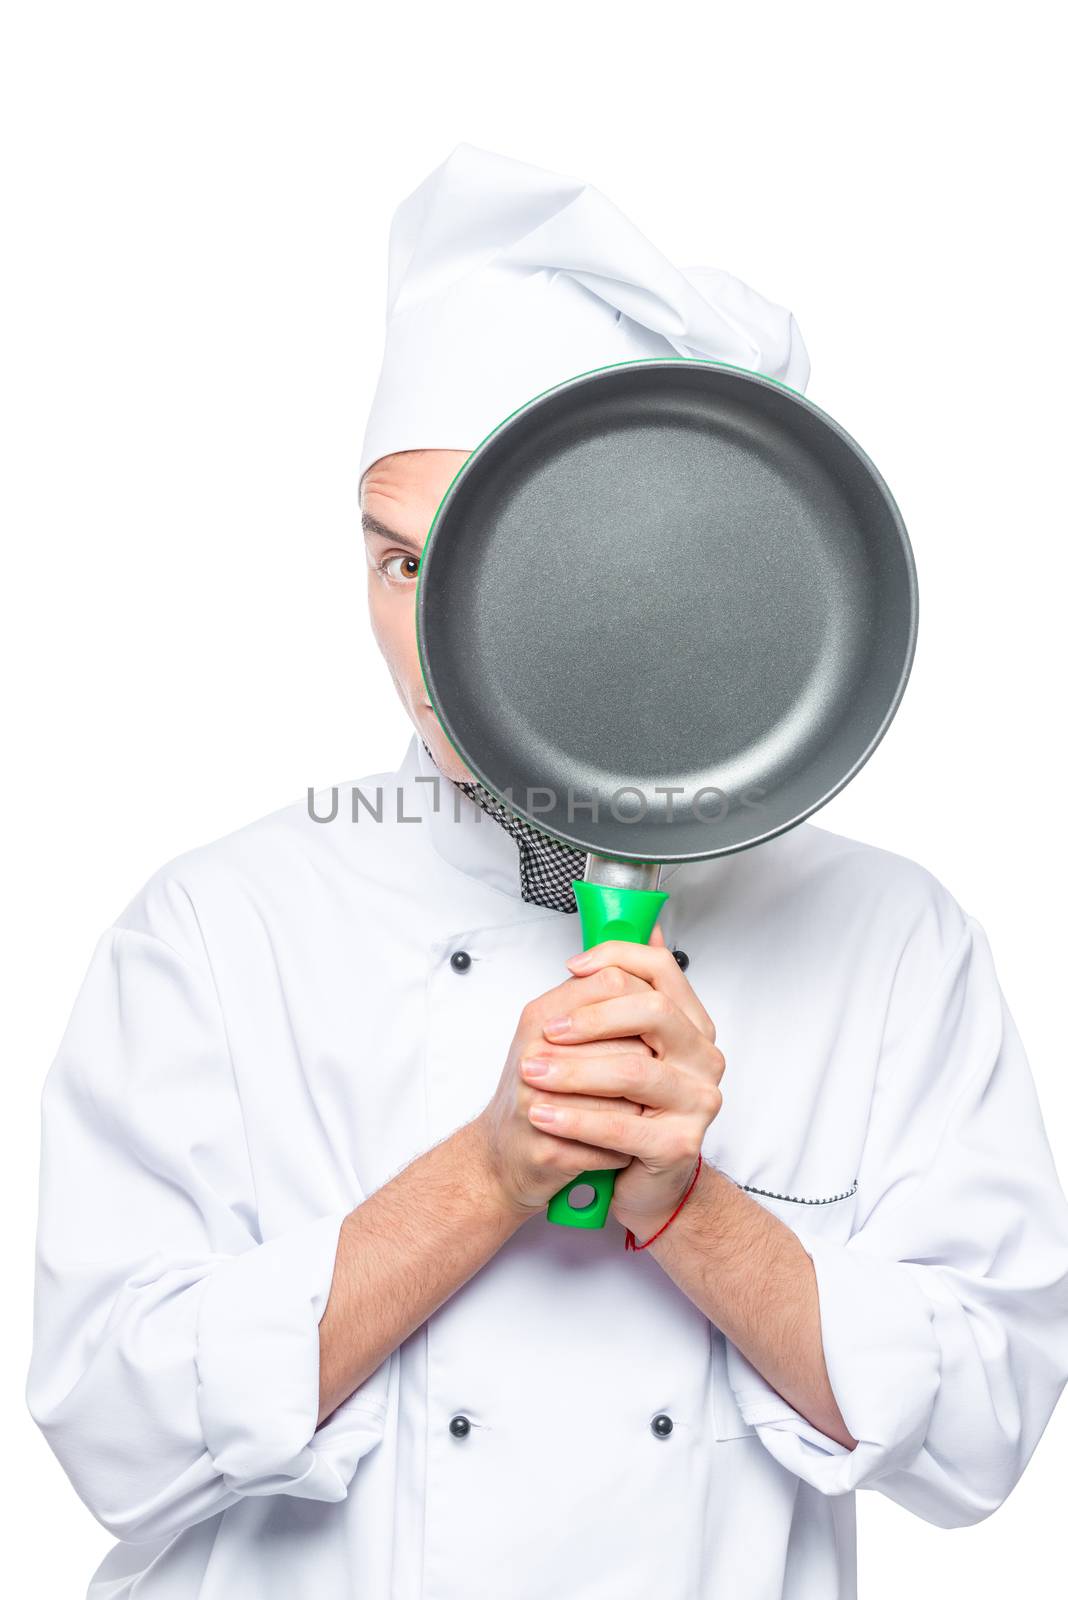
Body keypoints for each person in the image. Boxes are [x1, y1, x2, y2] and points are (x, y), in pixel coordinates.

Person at [27, 143, 1068, 1600]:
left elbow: (982, 1438)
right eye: (397, 563)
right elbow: (111, 1431)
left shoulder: (893, 943)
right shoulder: (216, 930)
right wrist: (492, 1170)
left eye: (492, 569)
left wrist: (688, 1212)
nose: (432, 645)